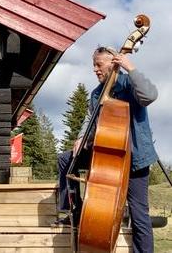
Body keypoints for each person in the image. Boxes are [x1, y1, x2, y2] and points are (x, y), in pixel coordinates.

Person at [56, 46, 158, 253]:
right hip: (106, 153)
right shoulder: (96, 93)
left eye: (98, 64)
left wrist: (131, 68)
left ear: (113, 64)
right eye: (93, 65)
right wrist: (80, 138)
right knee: (66, 160)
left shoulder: (130, 83)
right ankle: (75, 211)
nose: (95, 69)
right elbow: (90, 119)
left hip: (135, 159)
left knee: (139, 215)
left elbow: (149, 96)